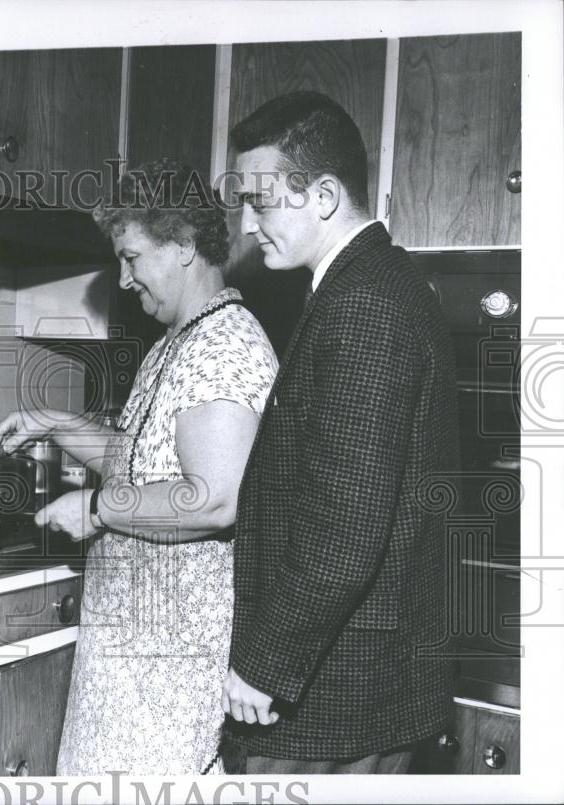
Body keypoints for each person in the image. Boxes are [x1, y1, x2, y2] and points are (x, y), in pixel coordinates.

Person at [0, 159, 278, 775]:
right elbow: (142, 466)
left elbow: (213, 498)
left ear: (183, 245)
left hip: (168, 681)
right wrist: (58, 424)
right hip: (126, 666)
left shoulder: (225, 346)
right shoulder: (176, 342)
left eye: (131, 257)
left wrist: (97, 509)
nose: (123, 280)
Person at [221, 91, 459, 773]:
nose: (246, 223)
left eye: (260, 203)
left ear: (323, 194)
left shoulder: (362, 306)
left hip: (339, 704)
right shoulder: (378, 284)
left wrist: (264, 666)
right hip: (368, 691)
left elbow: (343, 528)